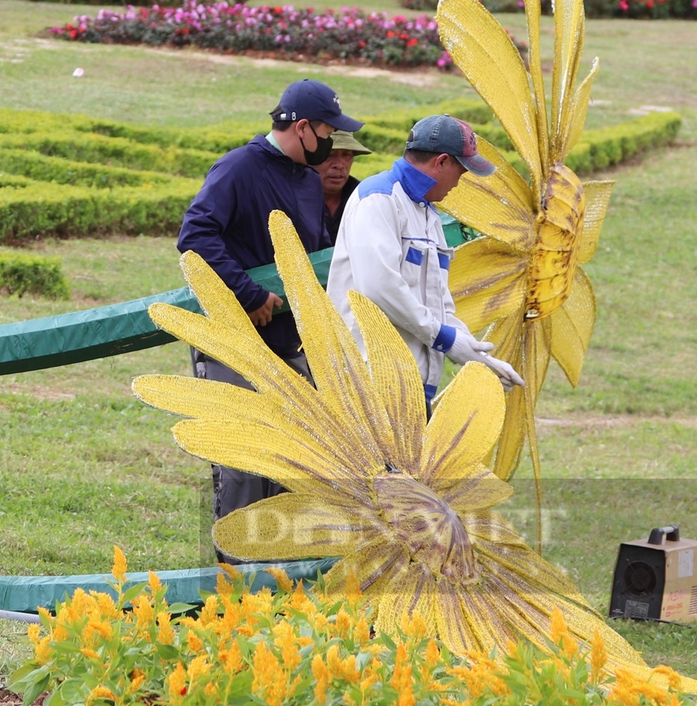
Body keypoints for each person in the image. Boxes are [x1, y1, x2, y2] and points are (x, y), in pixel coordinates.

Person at [176, 79, 361, 528]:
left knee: (297, 463)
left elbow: (311, 259)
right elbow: (195, 236)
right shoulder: (239, 167)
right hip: (233, 341)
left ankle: (280, 585)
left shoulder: (307, 181)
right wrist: (249, 293)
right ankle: (234, 585)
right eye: (327, 130)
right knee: (241, 466)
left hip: (288, 343)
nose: (332, 142)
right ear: (301, 128)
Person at [325, 115, 522, 409]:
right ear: (441, 162)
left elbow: (437, 303)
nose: (460, 182)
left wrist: (477, 355)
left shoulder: (428, 214)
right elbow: (379, 289)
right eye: (461, 171)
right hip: (371, 382)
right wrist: (445, 339)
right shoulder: (379, 199)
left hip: (412, 385)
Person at [316, 131, 372, 242]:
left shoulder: (365, 199)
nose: (340, 165)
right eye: (329, 154)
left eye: (346, 155)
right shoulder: (292, 200)